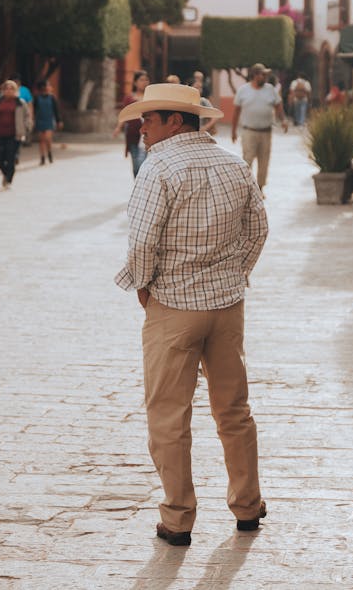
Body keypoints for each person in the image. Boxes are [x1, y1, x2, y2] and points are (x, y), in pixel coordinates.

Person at [115, 82, 269, 547]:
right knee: (234, 410)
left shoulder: (158, 167)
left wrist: (143, 285)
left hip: (174, 307)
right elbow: (258, 230)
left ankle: (178, 519)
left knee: (168, 415)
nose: (142, 128)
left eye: (150, 118)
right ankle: (247, 506)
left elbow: (142, 242)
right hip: (226, 308)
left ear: (175, 121)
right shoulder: (233, 163)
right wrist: (234, 273)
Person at [231, 63, 288, 194]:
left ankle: (260, 188)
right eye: (263, 74)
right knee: (247, 160)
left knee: (264, 161)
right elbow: (236, 111)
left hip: (266, 132)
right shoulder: (243, 90)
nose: (265, 77)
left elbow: (278, 105)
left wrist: (283, 120)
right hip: (249, 131)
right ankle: (246, 189)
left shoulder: (270, 89)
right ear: (255, 75)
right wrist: (233, 131)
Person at [0, 80, 31, 188]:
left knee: (10, 158)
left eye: (12, 88)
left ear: (16, 91)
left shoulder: (20, 103)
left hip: (14, 135)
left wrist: (26, 128)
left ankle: (8, 179)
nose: (9, 91)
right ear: (3, 90)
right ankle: (5, 172)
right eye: (6, 88)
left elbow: (27, 116)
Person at [112, 71, 149, 178]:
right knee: (136, 164)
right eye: (141, 80)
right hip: (132, 135)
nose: (144, 82)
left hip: (148, 135)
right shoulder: (129, 98)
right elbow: (125, 114)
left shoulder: (151, 97)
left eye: (146, 79)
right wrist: (118, 127)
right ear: (135, 82)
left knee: (144, 163)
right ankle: (137, 184)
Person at [33, 79, 63, 165]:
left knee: (48, 138)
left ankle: (49, 152)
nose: (49, 87)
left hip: (49, 120)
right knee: (41, 140)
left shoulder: (52, 98)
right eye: (48, 85)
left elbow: (56, 110)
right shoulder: (37, 98)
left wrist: (59, 120)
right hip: (40, 120)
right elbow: (33, 110)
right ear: (43, 87)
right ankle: (42, 157)